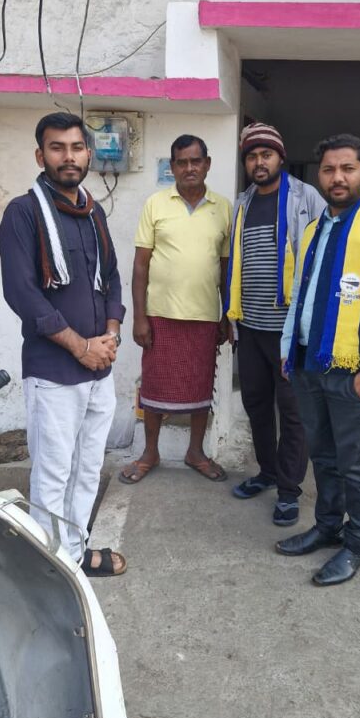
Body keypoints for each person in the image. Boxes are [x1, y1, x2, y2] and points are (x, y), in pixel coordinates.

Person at [277, 133, 360, 585]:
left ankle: (357, 543)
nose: (338, 177)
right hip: (308, 364)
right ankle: (328, 526)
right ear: (320, 176)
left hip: (351, 372)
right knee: (322, 454)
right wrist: (287, 351)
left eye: (347, 168)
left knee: (353, 461)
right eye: (330, 169)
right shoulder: (315, 229)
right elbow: (300, 297)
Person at [0, 112, 126, 577]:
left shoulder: (94, 213)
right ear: (41, 155)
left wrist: (110, 335)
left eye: (76, 147)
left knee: (88, 469)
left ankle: (73, 553)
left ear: (88, 154)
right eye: (57, 148)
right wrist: (79, 347)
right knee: (53, 475)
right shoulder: (23, 213)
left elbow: (111, 279)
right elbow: (23, 295)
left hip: (99, 370)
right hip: (54, 372)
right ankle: (50, 570)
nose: (68, 157)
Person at [226, 122, 324, 527]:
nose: (259, 162)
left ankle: (288, 490)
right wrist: (230, 318)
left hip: (290, 332)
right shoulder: (243, 203)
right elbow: (234, 263)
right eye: (252, 156)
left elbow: (323, 255)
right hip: (250, 328)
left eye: (266, 154)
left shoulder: (306, 197)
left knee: (293, 413)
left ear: (280, 157)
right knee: (256, 404)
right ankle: (267, 472)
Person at [119, 134, 232, 485]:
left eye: (195, 161)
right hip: (160, 316)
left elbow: (225, 269)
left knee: (201, 388)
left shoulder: (223, 208)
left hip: (204, 317)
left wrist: (226, 315)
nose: (189, 168)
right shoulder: (156, 204)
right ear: (173, 167)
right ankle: (150, 453)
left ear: (207, 164)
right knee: (154, 389)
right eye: (181, 162)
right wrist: (139, 318)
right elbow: (140, 266)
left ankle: (195, 452)